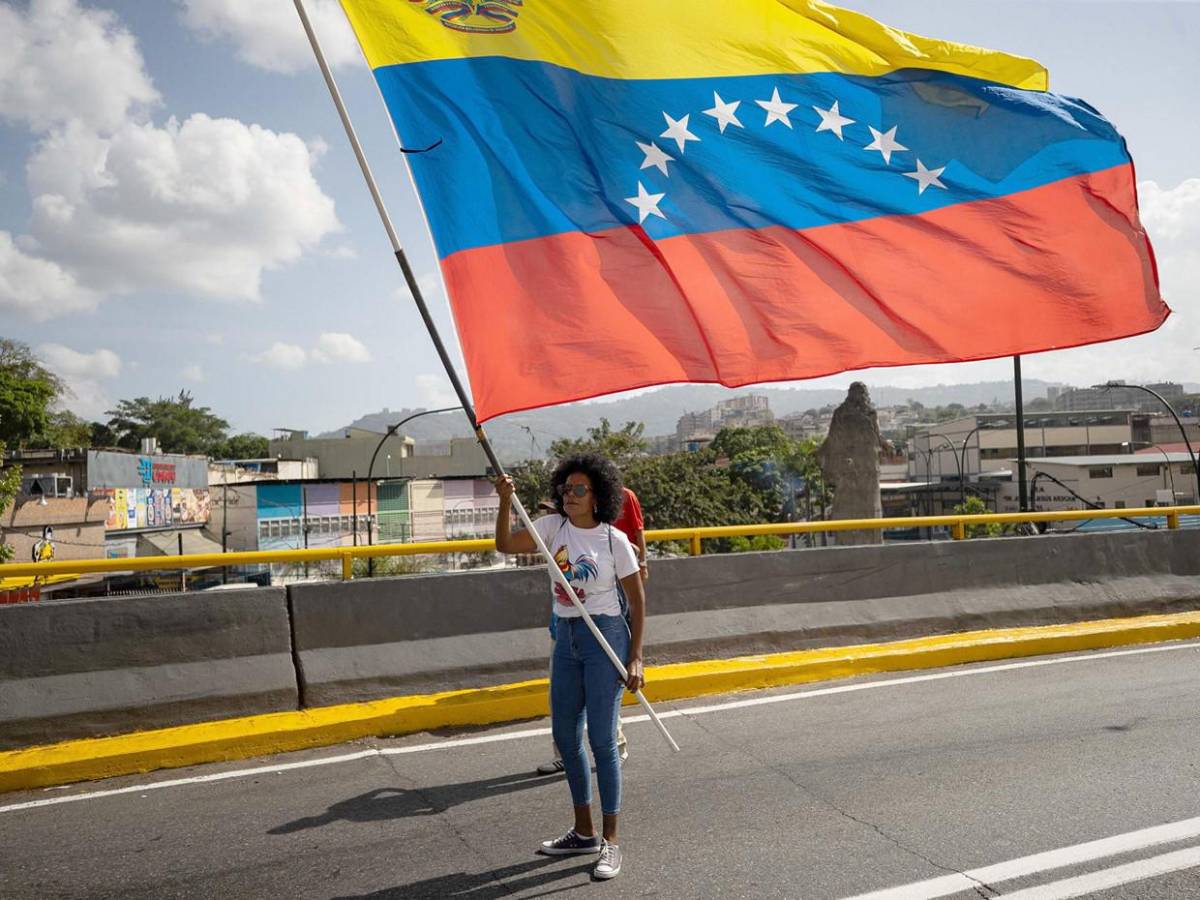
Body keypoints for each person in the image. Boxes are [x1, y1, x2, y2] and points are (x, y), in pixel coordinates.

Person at [495, 453, 645, 881]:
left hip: (605, 636)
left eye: (580, 489)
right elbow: (505, 545)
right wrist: (505, 501)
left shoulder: (614, 541)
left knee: (602, 739)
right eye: (566, 488)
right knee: (565, 735)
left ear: (599, 495)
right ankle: (583, 831)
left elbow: (637, 601)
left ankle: (611, 840)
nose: (570, 495)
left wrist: (635, 656)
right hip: (567, 637)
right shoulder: (550, 528)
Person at [537, 485, 645, 775]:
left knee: (601, 698)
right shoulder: (558, 533)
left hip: (602, 622)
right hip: (564, 625)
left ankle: (614, 748)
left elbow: (635, 540)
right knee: (562, 700)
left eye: (579, 491)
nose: (569, 500)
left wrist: (638, 560)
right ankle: (564, 753)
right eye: (565, 494)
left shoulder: (609, 530)